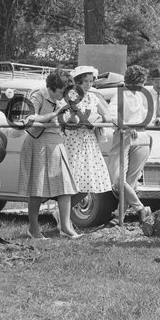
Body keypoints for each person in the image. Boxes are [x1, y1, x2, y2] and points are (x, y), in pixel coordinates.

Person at [18, 68, 80, 239]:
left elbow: (73, 120)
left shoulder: (63, 99)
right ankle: (33, 228)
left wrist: (73, 111)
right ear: (52, 87)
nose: (63, 94)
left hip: (56, 144)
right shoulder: (38, 95)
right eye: (61, 91)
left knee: (65, 187)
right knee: (37, 189)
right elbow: (29, 118)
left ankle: (66, 227)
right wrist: (53, 114)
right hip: (38, 143)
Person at [61, 66, 114, 215]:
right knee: (73, 181)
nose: (88, 84)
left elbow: (107, 116)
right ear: (77, 81)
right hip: (74, 141)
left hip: (89, 141)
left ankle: (62, 213)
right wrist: (93, 119)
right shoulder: (71, 95)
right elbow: (79, 120)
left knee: (90, 183)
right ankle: (63, 215)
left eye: (91, 81)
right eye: (85, 81)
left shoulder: (93, 97)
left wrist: (95, 119)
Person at [105, 65, 153, 226]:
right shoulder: (119, 95)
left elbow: (144, 114)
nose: (142, 86)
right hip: (124, 136)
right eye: (141, 83)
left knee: (131, 180)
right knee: (118, 179)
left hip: (141, 137)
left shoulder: (140, 96)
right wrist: (126, 126)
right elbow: (111, 115)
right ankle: (141, 209)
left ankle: (120, 215)